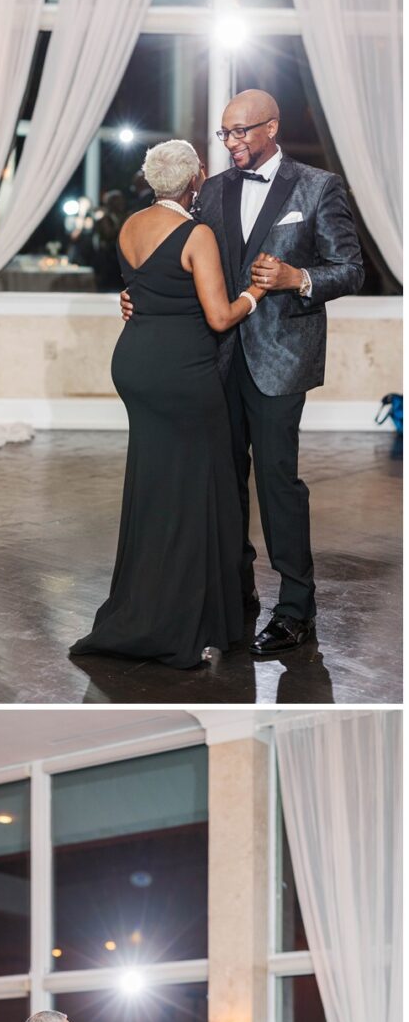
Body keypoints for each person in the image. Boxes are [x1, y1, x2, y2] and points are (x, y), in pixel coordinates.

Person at [119, 94, 364, 658]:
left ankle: (296, 611)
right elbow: (178, 257)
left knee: (278, 484)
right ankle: (235, 596)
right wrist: (137, 295)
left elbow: (349, 269)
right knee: (223, 483)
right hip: (214, 360)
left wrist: (296, 276)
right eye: (224, 134)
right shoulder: (214, 191)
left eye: (241, 133)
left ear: (272, 127)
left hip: (281, 361)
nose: (230, 144)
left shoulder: (318, 187)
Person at [72, 138, 267, 670]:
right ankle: (185, 619)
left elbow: (143, 290)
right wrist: (258, 291)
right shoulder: (196, 233)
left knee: (154, 485)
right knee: (200, 492)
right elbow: (220, 317)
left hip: (134, 366)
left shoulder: (131, 225)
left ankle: (142, 605)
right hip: (183, 374)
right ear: (196, 178)